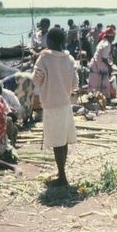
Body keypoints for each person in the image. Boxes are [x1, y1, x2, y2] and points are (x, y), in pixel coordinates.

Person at [33, 28, 78, 186]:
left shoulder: (44, 57)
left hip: (51, 105)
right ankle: (61, 173)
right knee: (63, 140)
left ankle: (62, 177)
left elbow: (36, 79)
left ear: (50, 41)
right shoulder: (69, 58)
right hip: (65, 104)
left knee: (57, 143)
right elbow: (75, 83)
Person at [88, 26, 115, 100]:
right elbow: (104, 58)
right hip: (100, 65)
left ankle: (94, 98)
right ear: (111, 37)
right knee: (104, 82)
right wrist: (109, 67)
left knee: (94, 83)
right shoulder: (107, 44)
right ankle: (106, 98)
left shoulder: (102, 42)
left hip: (95, 64)